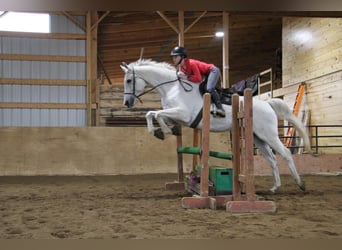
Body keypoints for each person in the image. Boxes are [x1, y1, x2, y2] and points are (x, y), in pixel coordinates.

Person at [170, 46, 225, 117]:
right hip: (205, 74)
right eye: (173, 57)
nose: (173, 59)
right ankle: (211, 107)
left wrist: (186, 77)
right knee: (202, 88)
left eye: (176, 56)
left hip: (212, 71)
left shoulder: (192, 63)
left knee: (209, 88)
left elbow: (198, 79)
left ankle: (220, 109)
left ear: (182, 56)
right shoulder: (181, 67)